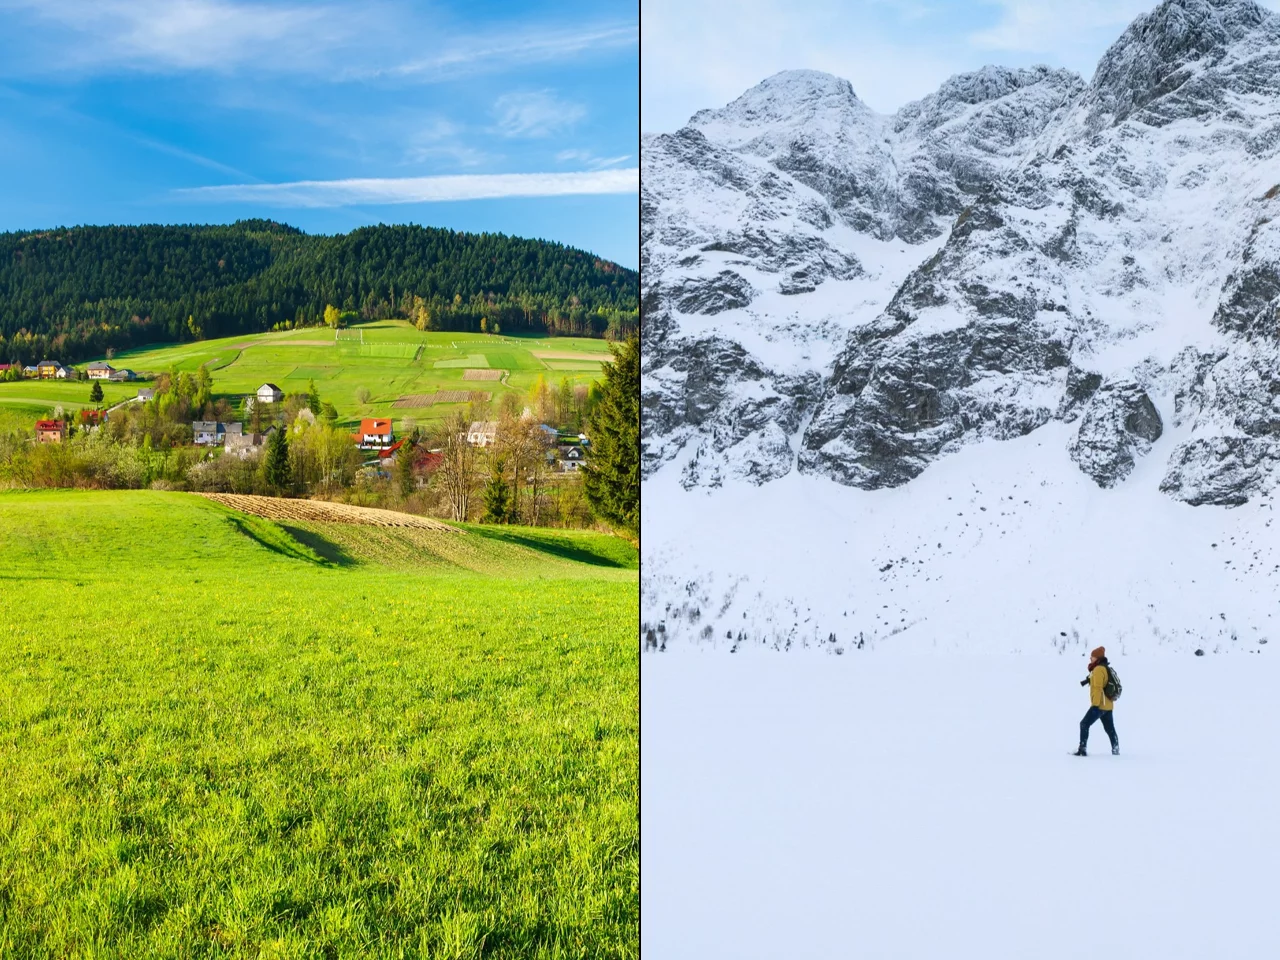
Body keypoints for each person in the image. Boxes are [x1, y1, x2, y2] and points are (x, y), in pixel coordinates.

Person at [1074, 645, 1118, 756]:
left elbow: (1098, 688)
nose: (1090, 658)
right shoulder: (1104, 668)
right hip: (1108, 706)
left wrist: (1095, 706)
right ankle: (1115, 749)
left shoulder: (1098, 669)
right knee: (1110, 729)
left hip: (1099, 705)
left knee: (1084, 724)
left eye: (1092, 657)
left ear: (1097, 658)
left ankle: (1082, 749)